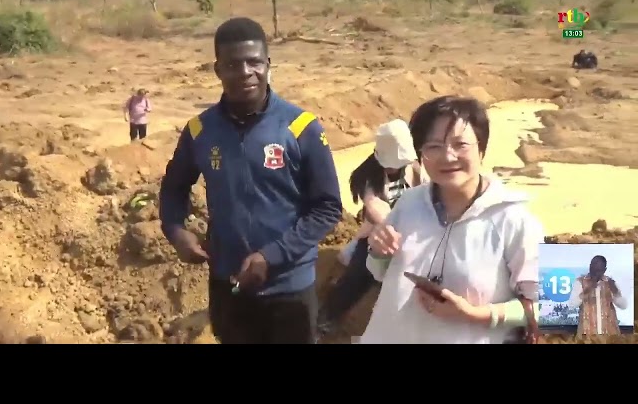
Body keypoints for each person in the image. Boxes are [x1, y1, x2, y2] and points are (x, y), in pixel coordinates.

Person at [158, 17, 342, 344]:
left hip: (290, 290)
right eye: (232, 64)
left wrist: (271, 256)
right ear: (217, 70)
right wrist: (176, 231)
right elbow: (173, 189)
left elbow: (327, 209)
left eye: (254, 62)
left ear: (268, 64)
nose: (245, 72)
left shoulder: (301, 127)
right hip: (229, 287)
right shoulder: (200, 131)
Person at [360, 95, 542, 344]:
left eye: (460, 144)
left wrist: (476, 315)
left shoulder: (514, 219)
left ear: (482, 148)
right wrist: (379, 251)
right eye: (433, 146)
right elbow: (380, 272)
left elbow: (549, 306)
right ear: (421, 154)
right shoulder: (409, 203)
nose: (447, 156)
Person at [317, 119, 426, 337]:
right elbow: (375, 207)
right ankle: (323, 324)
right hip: (377, 236)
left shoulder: (414, 169)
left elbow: (428, 194)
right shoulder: (370, 176)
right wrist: (394, 225)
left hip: (415, 233)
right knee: (358, 276)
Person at [568, 255, 628, 336]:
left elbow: (624, 306)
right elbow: (571, 305)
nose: (595, 273)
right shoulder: (580, 282)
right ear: (590, 267)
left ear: (604, 270)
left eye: (598, 270)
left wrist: (615, 291)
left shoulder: (610, 282)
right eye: (593, 269)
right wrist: (586, 291)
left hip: (609, 334)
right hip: (587, 335)